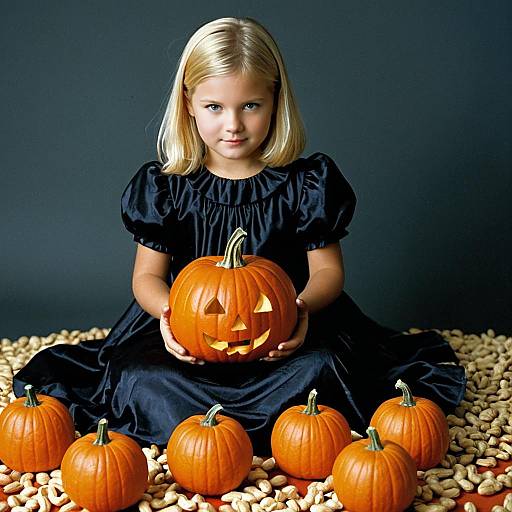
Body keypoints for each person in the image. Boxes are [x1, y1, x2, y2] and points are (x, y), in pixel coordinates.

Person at [13, 17, 465, 454]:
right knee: (140, 379)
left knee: (323, 370)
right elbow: (146, 278)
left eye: (250, 105)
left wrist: (299, 309)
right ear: (188, 103)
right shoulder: (167, 186)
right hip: (188, 336)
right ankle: (214, 440)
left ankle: (287, 437)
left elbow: (327, 270)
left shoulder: (306, 183)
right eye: (214, 107)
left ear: (275, 100)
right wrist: (171, 318)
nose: (233, 124)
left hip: (285, 334)